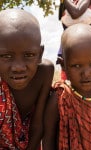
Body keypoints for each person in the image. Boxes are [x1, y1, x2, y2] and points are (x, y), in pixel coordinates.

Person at [43, 23, 91, 150]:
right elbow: (48, 139)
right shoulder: (59, 98)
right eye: (76, 65)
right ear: (63, 65)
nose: (86, 73)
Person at [0, 9, 54, 149]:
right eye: (6, 56)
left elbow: (37, 125)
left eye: (29, 55)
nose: (18, 67)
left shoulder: (44, 72)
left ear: (40, 53)